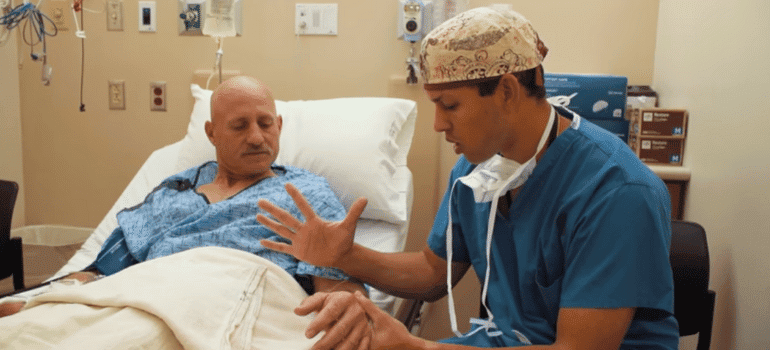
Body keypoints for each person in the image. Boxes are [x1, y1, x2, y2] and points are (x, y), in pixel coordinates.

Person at [257, 7, 679, 350]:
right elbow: (431, 272)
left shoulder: (615, 191)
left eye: (450, 106)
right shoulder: (480, 169)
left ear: (508, 92)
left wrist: (416, 347)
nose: (438, 125)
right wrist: (346, 256)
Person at [0, 76, 370, 350]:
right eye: (239, 126)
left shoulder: (306, 194)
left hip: (233, 300)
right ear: (211, 133)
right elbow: (104, 271)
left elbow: (338, 294)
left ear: (280, 126)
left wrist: (351, 301)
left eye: (266, 123)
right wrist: (43, 299)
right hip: (146, 297)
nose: (257, 137)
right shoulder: (173, 190)